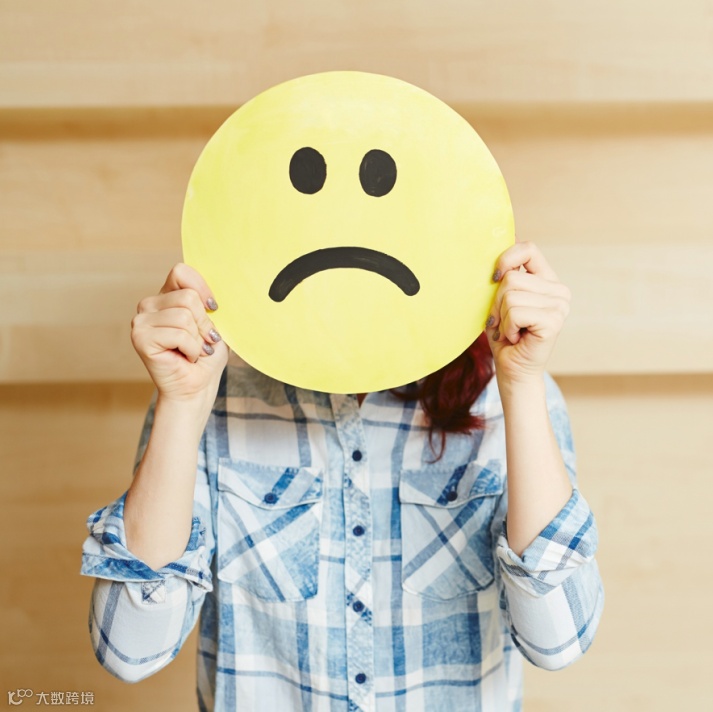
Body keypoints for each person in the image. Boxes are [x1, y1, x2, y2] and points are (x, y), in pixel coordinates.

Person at [81, 241, 603, 711]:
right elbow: (129, 649)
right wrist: (181, 404)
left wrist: (522, 384)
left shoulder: (509, 392)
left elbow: (557, 640)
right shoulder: (208, 388)